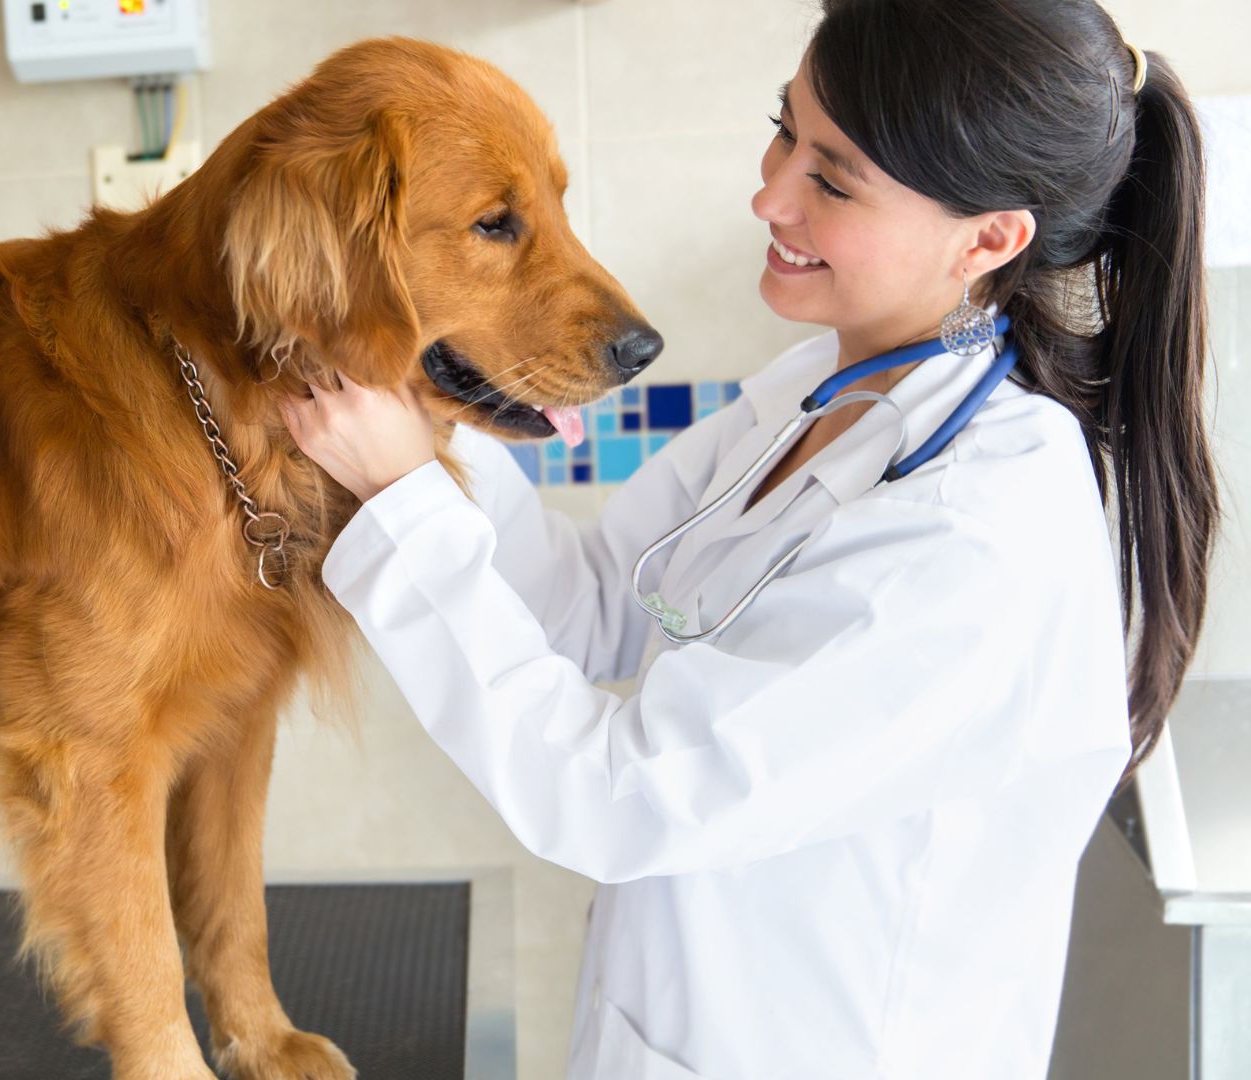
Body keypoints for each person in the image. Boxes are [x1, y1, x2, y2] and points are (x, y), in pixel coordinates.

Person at [279, 1, 1218, 1076]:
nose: (767, 193)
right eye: (786, 128)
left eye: (832, 177)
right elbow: (592, 608)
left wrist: (403, 498)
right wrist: (430, 415)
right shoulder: (825, 390)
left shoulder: (976, 541)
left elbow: (612, 794)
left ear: (991, 238)